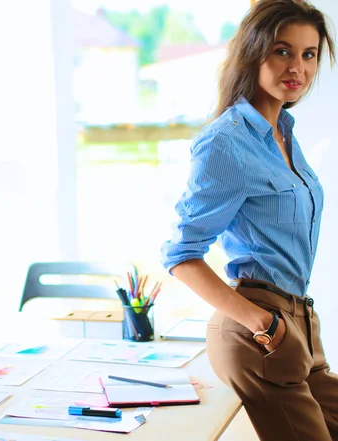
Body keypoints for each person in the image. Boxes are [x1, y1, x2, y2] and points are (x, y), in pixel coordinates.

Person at [160, 1, 337, 440]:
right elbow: (181, 255)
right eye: (282, 51)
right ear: (254, 52)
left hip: (301, 325)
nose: (298, 67)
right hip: (260, 330)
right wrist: (264, 325)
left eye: (309, 54)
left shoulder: (286, 134)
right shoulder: (227, 143)